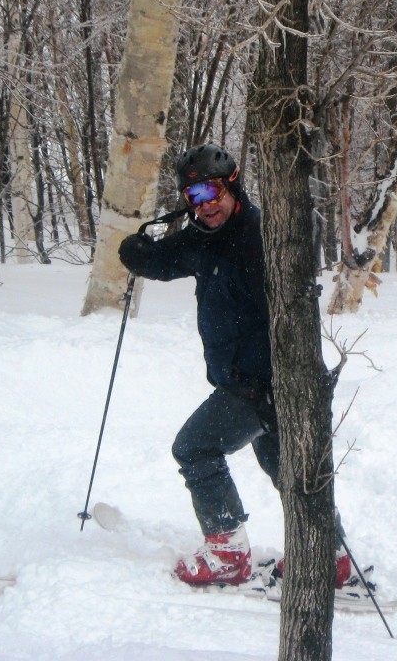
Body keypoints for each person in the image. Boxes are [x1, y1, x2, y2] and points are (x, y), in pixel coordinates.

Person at [117, 143, 355, 590]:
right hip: (254, 384)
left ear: (232, 184)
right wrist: (136, 252)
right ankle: (328, 555)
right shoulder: (204, 236)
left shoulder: (261, 236)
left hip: (259, 385)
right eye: (193, 197)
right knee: (288, 471)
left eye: (210, 192)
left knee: (195, 449)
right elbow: (166, 260)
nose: (203, 205)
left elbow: (299, 295)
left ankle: (227, 554)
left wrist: (277, 385)